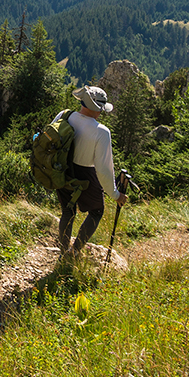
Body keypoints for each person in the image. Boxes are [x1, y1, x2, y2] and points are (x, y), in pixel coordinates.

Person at [58, 84, 127, 258]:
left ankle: (63, 251)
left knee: (68, 211)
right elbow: (103, 170)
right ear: (97, 108)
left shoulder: (64, 115)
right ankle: (74, 252)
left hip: (61, 170)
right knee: (96, 211)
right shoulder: (101, 132)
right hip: (85, 175)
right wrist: (115, 194)